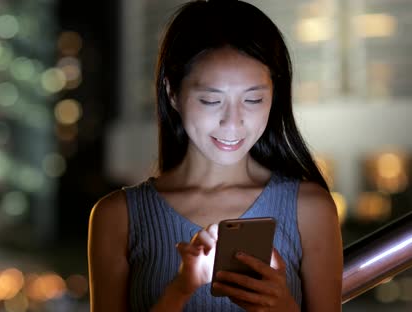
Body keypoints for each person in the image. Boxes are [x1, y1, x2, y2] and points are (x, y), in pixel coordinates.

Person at [87, 0, 343, 311]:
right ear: (172, 93)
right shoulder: (117, 217)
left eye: (253, 99)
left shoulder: (310, 209)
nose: (232, 122)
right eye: (211, 100)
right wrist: (180, 289)